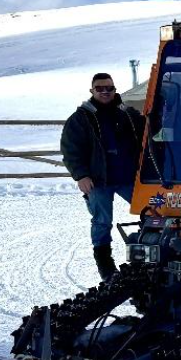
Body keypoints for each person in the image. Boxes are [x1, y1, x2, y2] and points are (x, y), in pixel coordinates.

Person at [60, 73, 145, 280]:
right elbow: (70, 150)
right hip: (98, 180)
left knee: (152, 212)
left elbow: (148, 131)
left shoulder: (127, 114)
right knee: (102, 221)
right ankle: (106, 268)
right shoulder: (81, 118)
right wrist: (81, 175)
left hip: (128, 177)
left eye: (109, 88)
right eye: (100, 88)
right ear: (92, 91)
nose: (105, 92)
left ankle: (148, 257)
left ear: (115, 90)